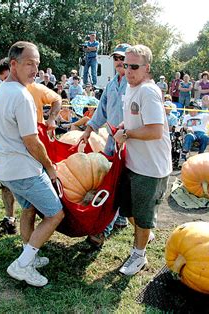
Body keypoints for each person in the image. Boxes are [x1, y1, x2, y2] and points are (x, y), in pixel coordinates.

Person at [0, 41, 64, 287]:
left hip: (6, 170)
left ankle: (28, 254)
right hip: (24, 169)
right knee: (55, 214)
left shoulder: (1, 90)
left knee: (29, 209)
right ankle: (22, 264)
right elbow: (32, 141)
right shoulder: (22, 96)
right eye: (29, 63)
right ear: (14, 64)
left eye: (38, 64)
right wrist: (50, 166)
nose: (35, 70)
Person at [112, 44, 172, 276]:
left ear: (147, 68)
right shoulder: (130, 87)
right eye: (126, 65)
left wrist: (126, 134)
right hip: (135, 163)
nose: (128, 70)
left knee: (143, 214)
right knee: (130, 210)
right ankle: (145, 232)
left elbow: (155, 131)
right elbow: (137, 121)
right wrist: (124, 126)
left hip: (151, 167)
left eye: (134, 66)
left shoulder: (148, 91)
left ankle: (139, 256)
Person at [79, 43, 132, 247]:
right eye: (116, 59)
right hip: (111, 140)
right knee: (111, 182)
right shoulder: (111, 85)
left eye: (123, 58)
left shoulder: (134, 85)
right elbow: (101, 111)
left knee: (118, 184)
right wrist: (88, 130)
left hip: (129, 142)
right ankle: (118, 219)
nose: (119, 62)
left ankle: (104, 229)